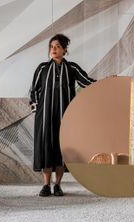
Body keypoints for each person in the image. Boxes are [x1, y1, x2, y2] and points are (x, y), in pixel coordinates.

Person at [29, 34, 96, 197]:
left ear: (65, 50)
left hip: (65, 116)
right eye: (51, 47)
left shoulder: (72, 68)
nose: (53, 49)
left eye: (57, 46)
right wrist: (38, 109)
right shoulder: (42, 68)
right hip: (45, 116)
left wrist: (107, 82)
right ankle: (46, 185)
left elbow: (87, 82)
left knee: (61, 149)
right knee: (46, 148)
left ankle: (57, 185)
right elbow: (34, 91)